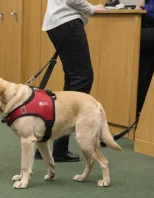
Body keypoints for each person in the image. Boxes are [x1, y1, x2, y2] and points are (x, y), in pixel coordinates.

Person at [34, 0, 105, 162]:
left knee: (73, 81)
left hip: (60, 22)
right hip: (67, 21)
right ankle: (57, 145)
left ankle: (50, 142)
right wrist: (91, 9)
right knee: (82, 78)